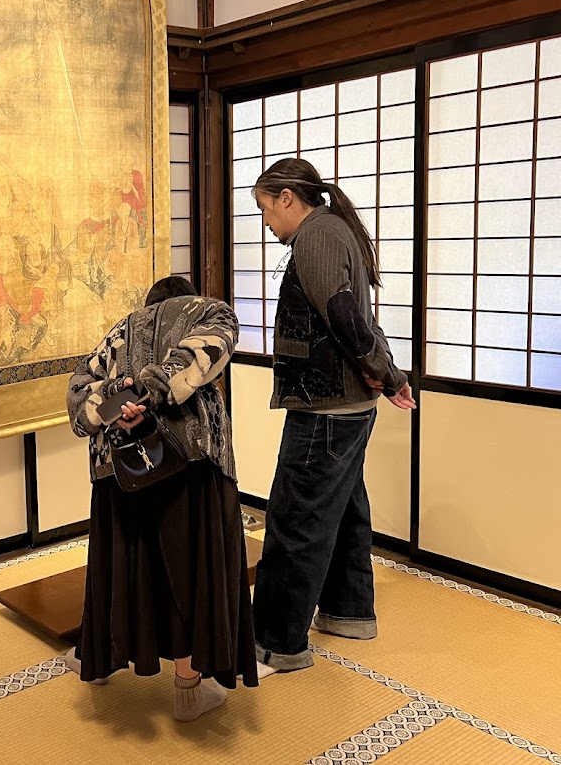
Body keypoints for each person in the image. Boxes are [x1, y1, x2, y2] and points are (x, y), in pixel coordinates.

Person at [249, 158, 417, 679]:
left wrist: (386, 373)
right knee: (342, 509)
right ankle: (347, 612)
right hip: (346, 407)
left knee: (296, 518)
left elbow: (345, 317)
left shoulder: (318, 236)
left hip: (325, 408)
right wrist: (387, 373)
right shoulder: (333, 229)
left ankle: (275, 643)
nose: (266, 222)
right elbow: (360, 319)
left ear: (287, 198)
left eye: (265, 209)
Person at [65, 275, 259, 721]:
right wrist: (148, 394)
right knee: (187, 572)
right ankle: (188, 690)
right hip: (188, 465)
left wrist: (121, 401)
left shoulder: (119, 331)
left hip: (119, 470)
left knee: (121, 565)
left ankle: (99, 663)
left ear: (148, 305)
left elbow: (79, 397)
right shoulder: (208, 311)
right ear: (187, 300)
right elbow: (205, 352)